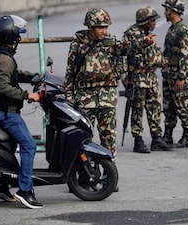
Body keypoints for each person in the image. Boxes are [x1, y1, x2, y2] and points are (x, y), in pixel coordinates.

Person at [64, 8, 155, 157]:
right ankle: (84, 172)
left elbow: (127, 48)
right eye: (100, 27)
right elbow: (70, 72)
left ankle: (108, 172)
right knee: (83, 138)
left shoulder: (110, 42)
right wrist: (69, 96)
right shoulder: (78, 45)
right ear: (91, 27)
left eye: (106, 27)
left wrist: (145, 42)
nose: (104, 31)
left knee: (109, 139)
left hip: (107, 98)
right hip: (85, 99)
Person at [0, 15, 43, 209]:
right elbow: (2, 86)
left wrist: (31, 76)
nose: (20, 37)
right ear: (11, 35)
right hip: (6, 114)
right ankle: (25, 190)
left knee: (6, 148)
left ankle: (1, 187)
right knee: (29, 146)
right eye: (18, 33)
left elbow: (12, 75)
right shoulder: (5, 58)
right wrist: (28, 95)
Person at [121, 6, 169, 153]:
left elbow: (155, 54)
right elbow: (122, 56)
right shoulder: (131, 34)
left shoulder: (149, 34)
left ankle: (156, 138)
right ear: (145, 21)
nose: (154, 23)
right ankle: (138, 140)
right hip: (137, 77)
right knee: (137, 110)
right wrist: (124, 78)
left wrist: (161, 61)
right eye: (152, 20)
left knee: (155, 107)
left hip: (151, 76)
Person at [161, 0, 188, 148]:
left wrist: (181, 77)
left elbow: (185, 54)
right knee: (168, 105)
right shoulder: (172, 29)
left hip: (178, 75)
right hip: (168, 74)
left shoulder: (183, 29)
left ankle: (187, 136)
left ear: (172, 11)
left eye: (166, 9)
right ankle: (168, 134)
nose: (165, 12)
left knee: (182, 104)